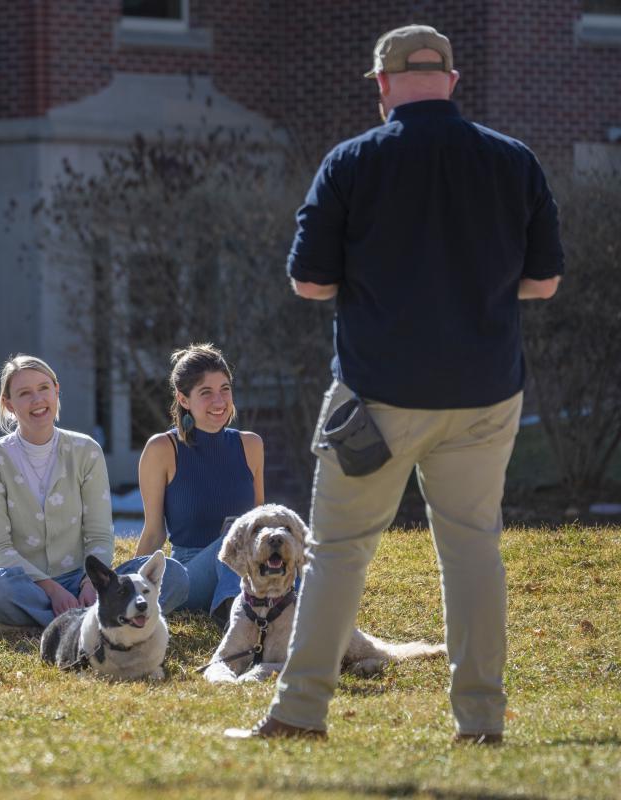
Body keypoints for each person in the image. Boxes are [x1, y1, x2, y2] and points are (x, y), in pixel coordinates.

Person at [230, 25, 563, 743]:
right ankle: (481, 723)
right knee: (472, 548)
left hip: (374, 397)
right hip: (484, 392)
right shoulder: (513, 161)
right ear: (451, 78)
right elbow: (544, 280)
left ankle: (299, 713)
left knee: (339, 552)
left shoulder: (352, 162)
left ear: (382, 86)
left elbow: (309, 280)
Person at [0, 354, 190, 631]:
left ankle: (46, 624)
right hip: (25, 585)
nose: (37, 400)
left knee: (176, 576)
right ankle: (94, 624)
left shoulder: (86, 450)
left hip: (84, 579)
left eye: (44, 388)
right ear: (8, 404)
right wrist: (52, 590)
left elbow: (98, 533)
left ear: (56, 391)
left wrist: (91, 583)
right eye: (24, 393)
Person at [133, 345, 264, 624]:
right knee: (236, 533)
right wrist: (129, 592)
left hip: (246, 566)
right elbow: (154, 533)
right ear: (183, 399)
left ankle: (300, 621)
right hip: (190, 576)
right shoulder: (162, 448)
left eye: (225, 389)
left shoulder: (251, 444)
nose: (219, 401)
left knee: (260, 536)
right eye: (206, 393)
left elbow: (260, 523)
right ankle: (239, 621)